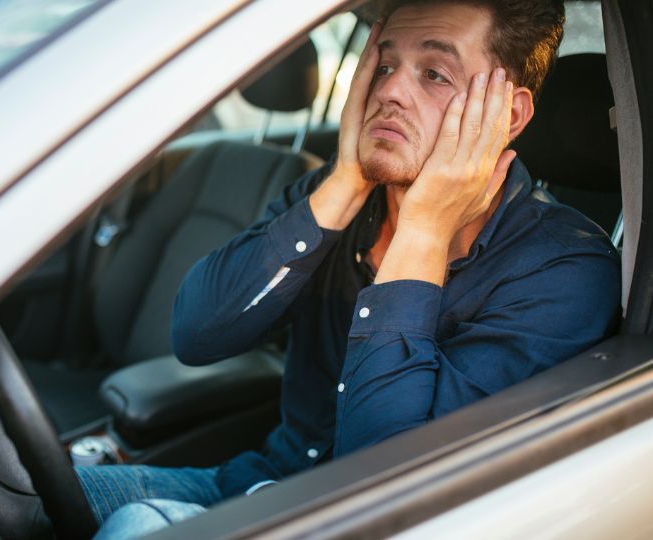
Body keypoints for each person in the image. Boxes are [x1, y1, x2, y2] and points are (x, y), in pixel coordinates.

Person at [78, 0, 621, 535]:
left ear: (509, 115)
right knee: (20, 494)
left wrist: (424, 230)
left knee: (136, 527)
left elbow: (390, 481)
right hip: (255, 487)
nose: (388, 91)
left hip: (351, 520)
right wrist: (344, 180)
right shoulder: (341, 196)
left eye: (434, 74)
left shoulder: (565, 271)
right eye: (383, 66)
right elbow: (195, 334)